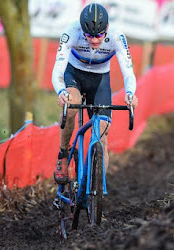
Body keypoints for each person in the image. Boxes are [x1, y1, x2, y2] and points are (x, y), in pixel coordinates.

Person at [52, 3, 139, 185]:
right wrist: (61, 91)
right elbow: (58, 69)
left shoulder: (117, 36)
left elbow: (128, 71)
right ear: (82, 30)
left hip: (100, 81)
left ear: (106, 28)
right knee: (71, 106)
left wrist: (130, 93)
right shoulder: (71, 32)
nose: (94, 40)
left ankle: (97, 193)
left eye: (99, 35)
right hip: (74, 75)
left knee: (103, 136)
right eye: (89, 36)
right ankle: (63, 153)